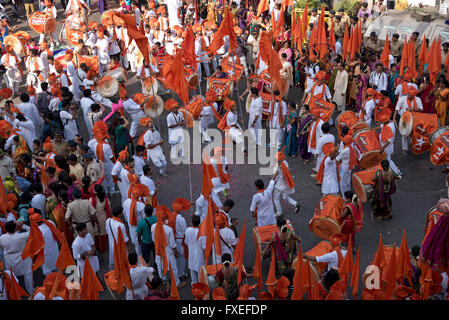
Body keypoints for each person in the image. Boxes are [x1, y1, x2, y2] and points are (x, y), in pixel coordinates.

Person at [0, 221, 33, 294]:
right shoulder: (21, 236)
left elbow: (1, 246)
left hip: (9, 259)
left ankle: (14, 292)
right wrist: (23, 225)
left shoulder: (2, 237)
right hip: (22, 258)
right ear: (15, 228)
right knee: (27, 274)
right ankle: (30, 292)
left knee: (12, 276)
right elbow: (33, 231)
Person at [393, 87, 423, 155]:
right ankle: (404, 149)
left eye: (411, 96)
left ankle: (413, 145)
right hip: (404, 119)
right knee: (404, 133)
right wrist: (394, 118)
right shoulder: (402, 99)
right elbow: (397, 109)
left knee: (414, 133)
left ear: (414, 96)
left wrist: (412, 109)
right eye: (409, 95)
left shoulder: (418, 99)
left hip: (415, 119)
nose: (410, 97)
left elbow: (421, 109)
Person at [273, 148, 301, 216]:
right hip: (286, 184)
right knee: (285, 196)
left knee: (275, 198)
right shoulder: (286, 163)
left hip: (279, 186)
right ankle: (295, 203)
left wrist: (272, 184)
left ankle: (279, 212)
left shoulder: (277, 167)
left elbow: (274, 177)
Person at [184, 215, 205, 285]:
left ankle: (194, 288)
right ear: (199, 223)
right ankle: (200, 290)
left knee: (193, 275)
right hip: (199, 256)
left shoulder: (187, 230)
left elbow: (186, 242)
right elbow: (204, 246)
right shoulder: (202, 232)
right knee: (200, 276)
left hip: (191, 255)